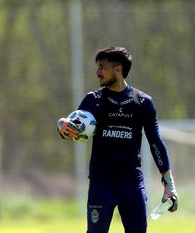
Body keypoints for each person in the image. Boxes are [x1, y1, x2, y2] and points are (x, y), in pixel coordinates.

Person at [57, 47, 178, 233]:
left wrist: (169, 184)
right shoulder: (92, 100)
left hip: (132, 184)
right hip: (101, 183)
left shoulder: (143, 103)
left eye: (102, 67)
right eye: (98, 67)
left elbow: (155, 142)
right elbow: (73, 128)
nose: (98, 72)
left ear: (118, 69)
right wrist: (62, 127)